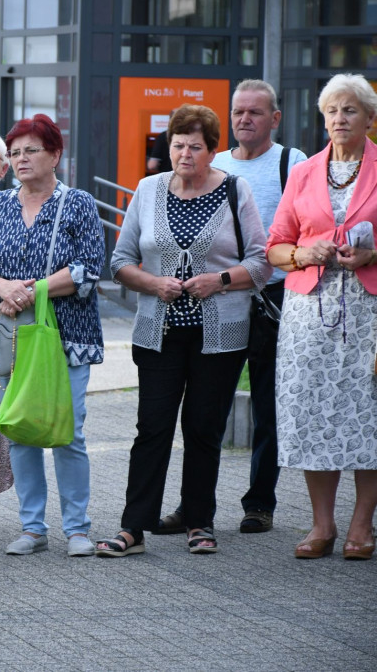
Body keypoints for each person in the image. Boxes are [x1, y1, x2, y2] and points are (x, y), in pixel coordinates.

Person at [97, 104, 272, 558]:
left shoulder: (236, 189)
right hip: (159, 331)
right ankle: (133, 528)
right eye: (178, 144)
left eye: (196, 145)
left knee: (203, 429)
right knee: (151, 428)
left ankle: (199, 521)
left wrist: (221, 280)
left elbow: (261, 260)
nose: (185, 153)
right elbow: (120, 261)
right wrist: (154, 283)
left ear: (213, 150)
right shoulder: (148, 189)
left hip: (221, 334)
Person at [156, 81, 307, 536]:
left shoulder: (290, 162)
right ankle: (194, 509)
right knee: (207, 411)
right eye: (239, 112)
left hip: (273, 300)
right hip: (215, 302)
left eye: (256, 113)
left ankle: (259, 503)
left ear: (274, 119)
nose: (246, 119)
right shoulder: (213, 162)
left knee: (267, 404)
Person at [0, 114, 105, 558]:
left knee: (69, 432)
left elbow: (87, 270)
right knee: (20, 429)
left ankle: (78, 529)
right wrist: (2, 287)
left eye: (32, 151)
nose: (22, 159)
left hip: (69, 337)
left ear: (56, 155)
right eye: (16, 152)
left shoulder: (78, 203)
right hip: (11, 337)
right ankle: (32, 527)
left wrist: (31, 291)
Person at [266, 73, 377, 561]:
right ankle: (322, 525)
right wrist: (303, 253)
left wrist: (373, 255)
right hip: (309, 314)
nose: (339, 119)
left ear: (370, 119)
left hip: (370, 311)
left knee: (368, 416)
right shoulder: (304, 172)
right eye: (331, 110)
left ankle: (361, 524)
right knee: (314, 413)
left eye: (349, 110)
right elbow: (273, 246)